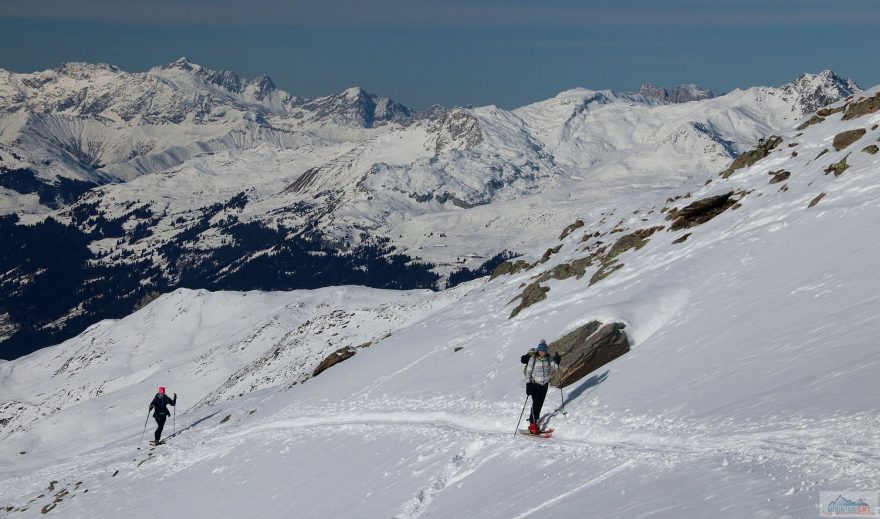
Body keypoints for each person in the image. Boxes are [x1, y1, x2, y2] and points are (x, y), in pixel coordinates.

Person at [523, 340, 561, 434]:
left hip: (544, 385)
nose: (542, 352)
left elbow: (556, 367)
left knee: (540, 404)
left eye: (544, 351)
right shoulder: (533, 359)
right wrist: (528, 385)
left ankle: (534, 420)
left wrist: (557, 361)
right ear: (538, 351)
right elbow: (528, 372)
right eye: (541, 351)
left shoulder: (549, 358)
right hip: (535, 384)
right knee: (535, 404)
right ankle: (532, 424)